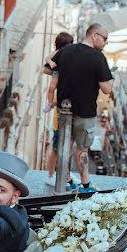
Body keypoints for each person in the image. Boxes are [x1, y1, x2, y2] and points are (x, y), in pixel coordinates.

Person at [51, 23, 114, 193]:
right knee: (82, 149)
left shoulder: (66, 50)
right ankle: (85, 185)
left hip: (64, 110)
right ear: (94, 36)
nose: (106, 43)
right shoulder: (97, 57)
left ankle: (65, 179)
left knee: (65, 146)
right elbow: (107, 89)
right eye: (105, 38)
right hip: (85, 111)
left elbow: (48, 68)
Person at [43, 31, 74, 188]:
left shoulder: (58, 59)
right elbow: (51, 86)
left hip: (60, 108)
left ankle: (61, 174)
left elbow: (48, 67)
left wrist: (50, 104)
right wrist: (52, 103)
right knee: (58, 147)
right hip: (63, 108)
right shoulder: (66, 63)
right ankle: (51, 174)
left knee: (60, 146)